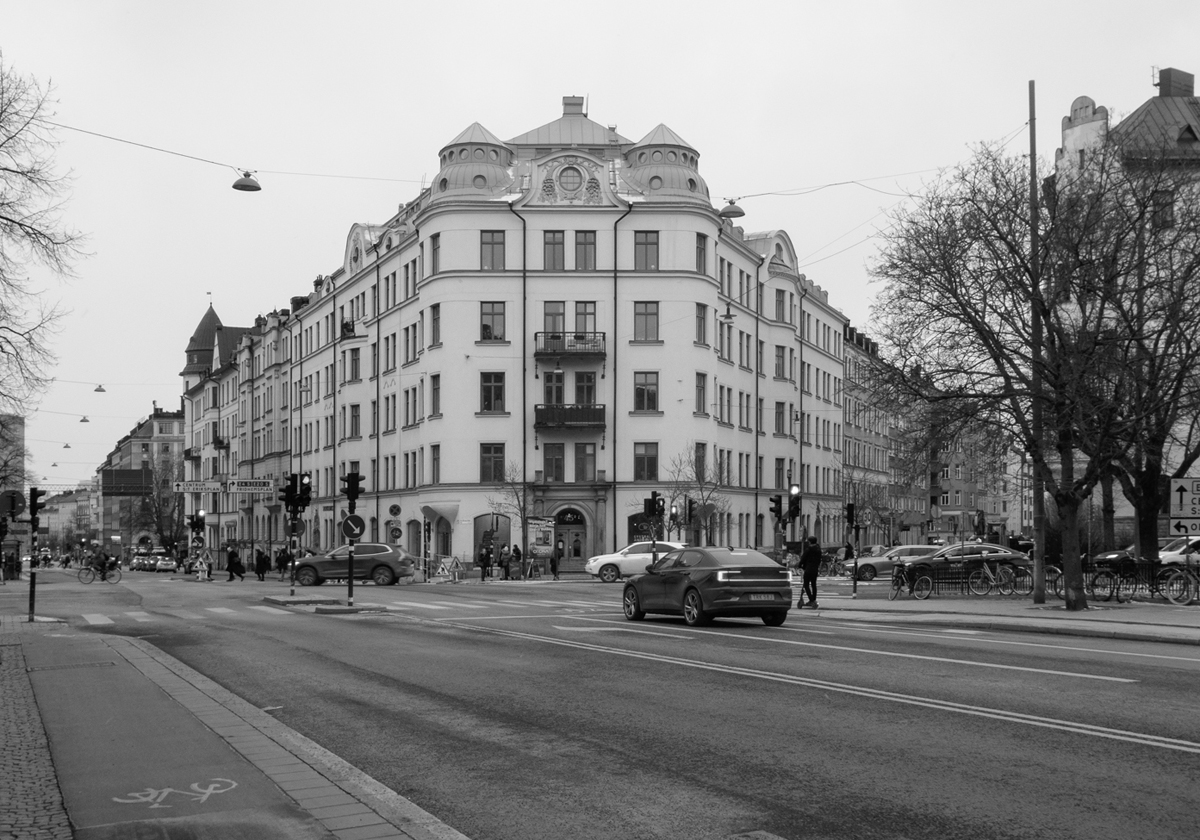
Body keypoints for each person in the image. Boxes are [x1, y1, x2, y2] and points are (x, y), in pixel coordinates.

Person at [798, 536, 822, 609]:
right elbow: (819, 559)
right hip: (815, 569)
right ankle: (814, 599)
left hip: (808, 569)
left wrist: (800, 565)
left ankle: (811, 600)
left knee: (806, 584)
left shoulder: (808, 549)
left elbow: (803, 558)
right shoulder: (818, 549)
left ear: (810, 542)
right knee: (813, 584)